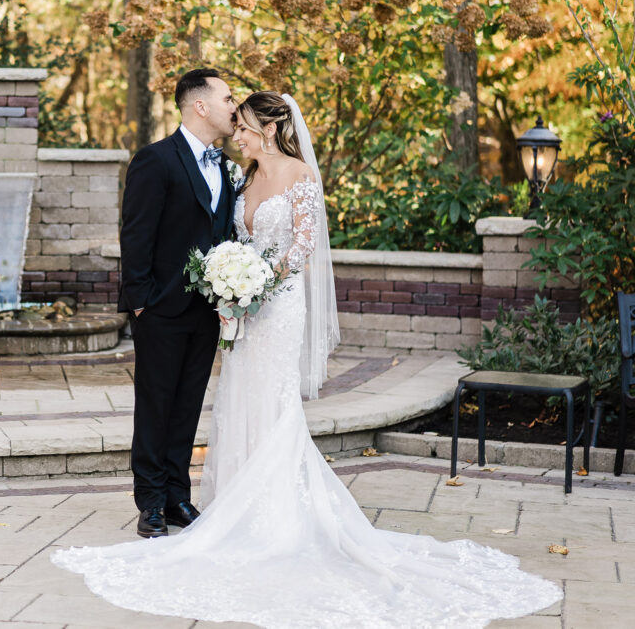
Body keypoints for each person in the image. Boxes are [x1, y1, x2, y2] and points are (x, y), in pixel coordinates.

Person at [52, 91, 562, 628]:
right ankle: (207, 503)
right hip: (233, 308)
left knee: (269, 402)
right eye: (231, 114)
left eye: (244, 122)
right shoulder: (236, 176)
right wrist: (223, 285)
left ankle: (263, 512)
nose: (237, 129)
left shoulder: (297, 176)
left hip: (275, 305)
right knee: (229, 400)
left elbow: (302, 247)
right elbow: (209, 236)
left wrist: (258, 282)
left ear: (268, 129)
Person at [116, 67, 237, 538]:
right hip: (161, 310)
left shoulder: (225, 168)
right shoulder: (155, 160)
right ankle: (148, 502)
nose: (234, 106)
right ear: (199, 105)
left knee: (187, 407)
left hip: (206, 312)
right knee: (155, 406)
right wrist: (141, 302)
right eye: (227, 98)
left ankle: (176, 498)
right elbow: (136, 233)